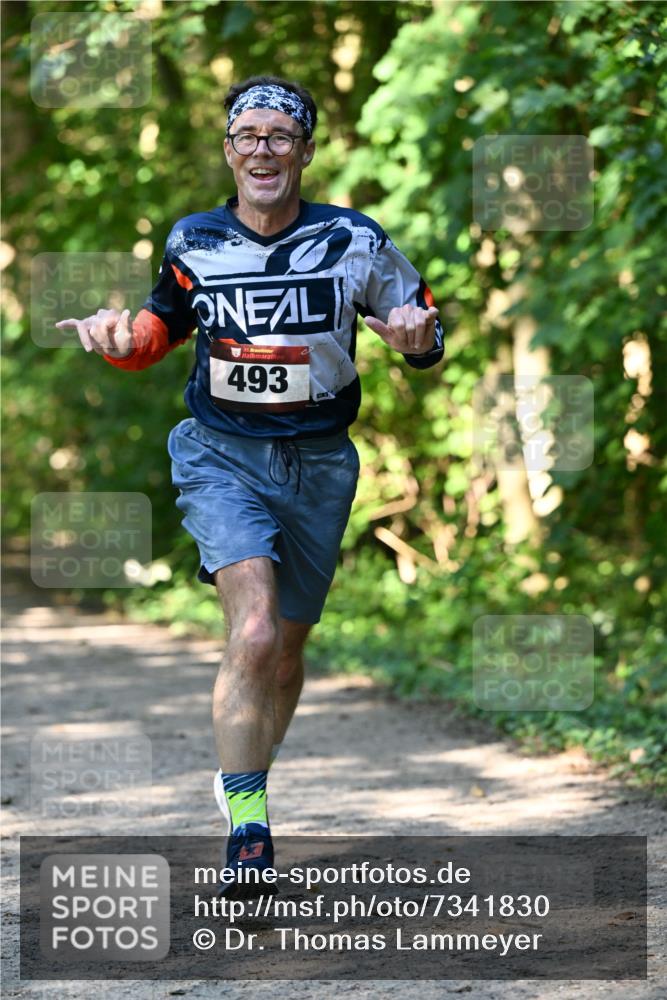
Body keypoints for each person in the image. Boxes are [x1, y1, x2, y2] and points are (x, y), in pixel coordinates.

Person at [56, 75, 444, 897]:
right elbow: (157, 331)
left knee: (287, 649)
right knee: (256, 630)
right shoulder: (194, 239)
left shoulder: (353, 239)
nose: (262, 150)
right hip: (220, 454)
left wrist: (418, 338)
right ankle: (249, 832)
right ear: (228, 150)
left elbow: (420, 322)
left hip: (320, 464)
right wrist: (117, 339)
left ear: (305, 151)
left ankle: (246, 775)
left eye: (279, 136)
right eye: (247, 136)